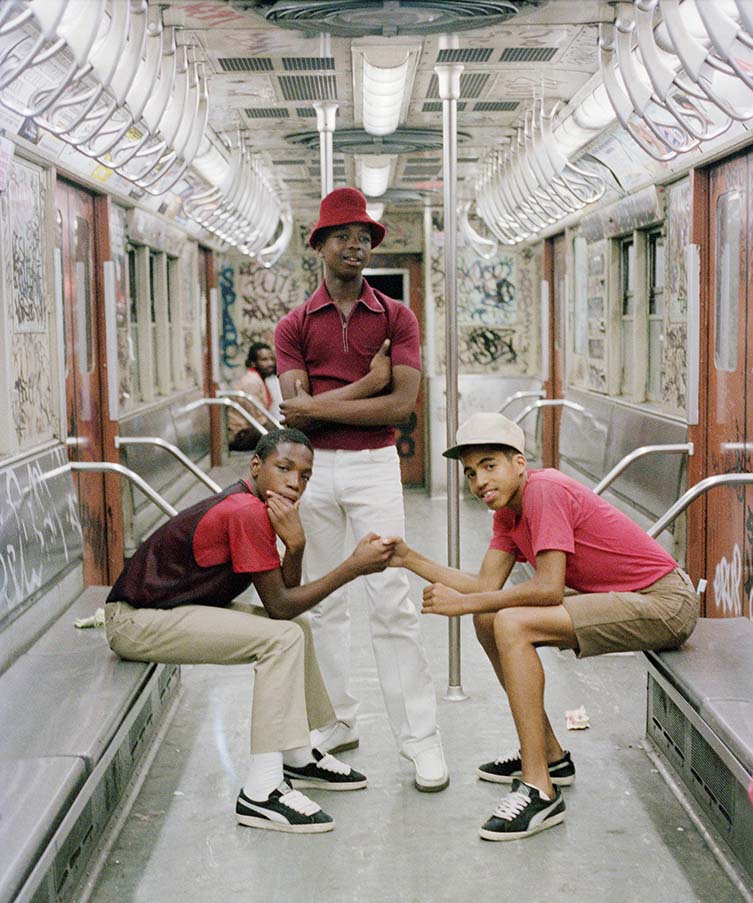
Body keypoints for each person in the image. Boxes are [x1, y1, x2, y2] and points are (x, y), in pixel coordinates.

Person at [388, 411, 700, 839]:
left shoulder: (544, 491)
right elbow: (483, 587)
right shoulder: (507, 513)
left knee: (510, 623)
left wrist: (465, 603)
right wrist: (408, 558)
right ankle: (550, 755)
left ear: (520, 463)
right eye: (470, 473)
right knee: (489, 617)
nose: (479, 481)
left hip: (666, 602)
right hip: (626, 597)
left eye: (489, 466)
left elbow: (549, 588)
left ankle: (539, 788)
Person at [104, 428, 399, 834]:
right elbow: (278, 605)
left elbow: (286, 603)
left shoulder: (257, 506)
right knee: (282, 638)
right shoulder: (246, 511)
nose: (295, 483)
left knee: (297, 627)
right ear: (256, 466)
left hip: (168, 611)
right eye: (284, 468)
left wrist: (295, 548)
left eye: (305, 476)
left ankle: (297, 755)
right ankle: (260, 792)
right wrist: (353, 566)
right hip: (135, 621)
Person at [274, 187, 448, 792]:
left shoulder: (397, 317)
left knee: (392, 600)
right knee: (324, 602)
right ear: (319, 245)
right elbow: (294, 422)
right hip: (312, 472)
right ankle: (337, 720)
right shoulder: (293, 325)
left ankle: (420, 740)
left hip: (376, 467)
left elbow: (402, 407)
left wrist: (325, 406)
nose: (357, 245)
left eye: (365, 237)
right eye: (343, 235)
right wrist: (365, 385)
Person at [227, 342, 277, 451]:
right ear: (253, 363)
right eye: (264, 360)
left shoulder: (258, 378)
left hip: (251, 430)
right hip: (240, 435)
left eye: (272, 359)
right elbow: (258, 418)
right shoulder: (251, 382)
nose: (270, 363)